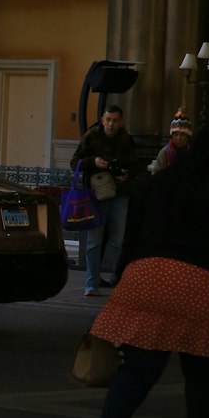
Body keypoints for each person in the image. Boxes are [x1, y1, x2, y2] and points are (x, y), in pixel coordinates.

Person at [86, 120, 209, 418]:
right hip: (201, 284)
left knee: (137, 369)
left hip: (146, 277)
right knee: (202, 375)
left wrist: (124, 274)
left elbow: (131, 235)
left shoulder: (155, 183)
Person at [72, 104, 139, 298]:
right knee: (94, 241)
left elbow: (136, 164)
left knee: (117, 241)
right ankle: (91, 283)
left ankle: (116, 279)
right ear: (102, 119)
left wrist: (127, 174)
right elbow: (74, 162)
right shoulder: (92, 137)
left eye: (115, 120)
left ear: (121, 122)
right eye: (108, 120)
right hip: (96, 194)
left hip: (120, 193)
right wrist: (93, 162)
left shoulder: (126, 140)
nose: (111, 124)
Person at [151, 106, 192, 173]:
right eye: (175, 135)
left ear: (188, 137)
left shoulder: (192, 152)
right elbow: (156, 174)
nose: (178, 138)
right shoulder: (165, 152)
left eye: (182, 135)